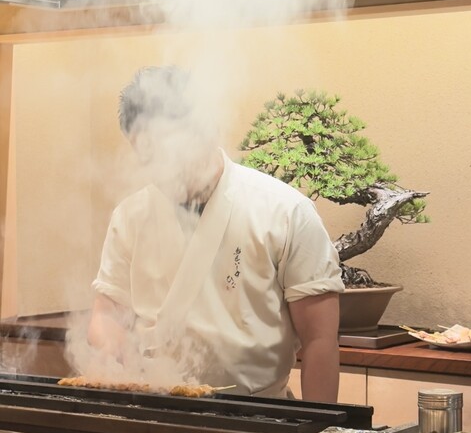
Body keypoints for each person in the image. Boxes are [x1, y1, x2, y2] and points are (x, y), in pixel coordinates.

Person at [87, 66, 344, 402]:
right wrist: (110, 345)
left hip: (260, 414)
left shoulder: (285, 212)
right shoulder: (131, 216)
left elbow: (319, 340)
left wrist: (319, 431)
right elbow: (106, 313)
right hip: (155, 406)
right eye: (148, 157)